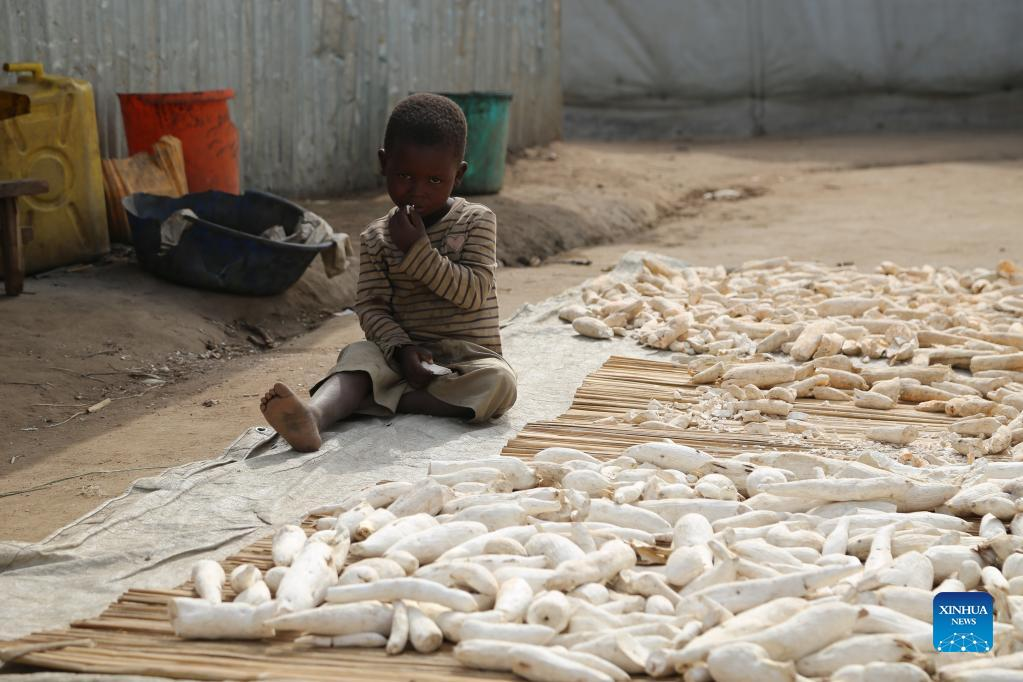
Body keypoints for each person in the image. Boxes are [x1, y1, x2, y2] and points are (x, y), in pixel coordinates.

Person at [260, 93, 517, 452]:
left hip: (467, 360)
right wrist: (402, 349)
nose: (417, 191)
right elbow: (372, 307)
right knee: (358, 356)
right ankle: (313, 417)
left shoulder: (477, 221)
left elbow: (473, 293)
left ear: (458, 175)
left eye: (435, 180)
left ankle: (374, 401)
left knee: (500, 383)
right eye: (404, 175)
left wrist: (417, 250)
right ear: (384, 163)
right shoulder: (376, 237)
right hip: (399, 359)